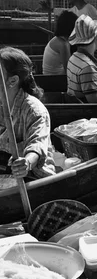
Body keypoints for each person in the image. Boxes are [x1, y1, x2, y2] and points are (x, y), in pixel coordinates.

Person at [0, 47, 55, 180]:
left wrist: (26, 163)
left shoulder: (35, 110)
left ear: (12, 81)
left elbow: (37, 146)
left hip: (32, 176)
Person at [42, 10, 78, 75]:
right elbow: (69, 70)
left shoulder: (57, 39)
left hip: (52, 77)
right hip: (55, 80)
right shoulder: (63, 44)